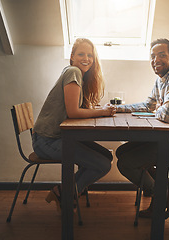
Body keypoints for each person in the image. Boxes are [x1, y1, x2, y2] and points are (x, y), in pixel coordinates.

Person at [115, 38, 169, 219]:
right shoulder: (161, 79)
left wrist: (159, 109)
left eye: (162, 55)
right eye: (153, 56)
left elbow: (168, 115)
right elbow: (149, 105)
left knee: (126, 163)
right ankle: (168, 185)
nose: (156, 60)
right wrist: (118, 108)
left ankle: (161, 194)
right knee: (123, 151)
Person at [32, 38, 116, 210]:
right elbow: (73, 112)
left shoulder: (77, 74)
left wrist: (97, 110)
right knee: (103, 164)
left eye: (90, 55)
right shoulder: (73, 72)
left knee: (106, 157)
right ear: (72, 56)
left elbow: (76, 110)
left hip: (57, 138)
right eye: (81, 54)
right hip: (47, 141)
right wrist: (102, 112)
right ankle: (67, 194)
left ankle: (66, 191)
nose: (86, 58)